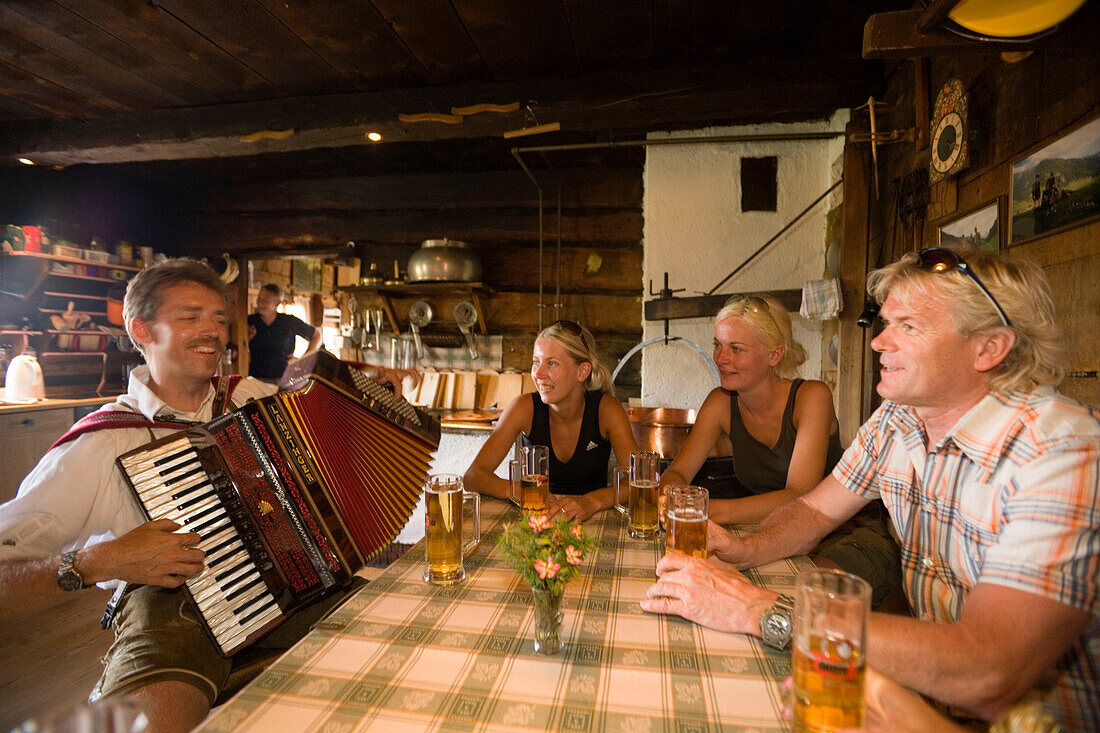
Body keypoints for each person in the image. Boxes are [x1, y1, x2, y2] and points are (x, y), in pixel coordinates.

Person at [641, 245, 1098, 730]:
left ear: (988, 348)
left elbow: (990, 668)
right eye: (885, 323)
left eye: (908, 326)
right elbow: (814, 510)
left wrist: (760, 610)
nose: (879, 342)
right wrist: (743, 550)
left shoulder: (1064, 453)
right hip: (934, 705)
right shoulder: (899, 420)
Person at [0, 258, 409, 732]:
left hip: (297, 588)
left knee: (406, 643)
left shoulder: (250, 396)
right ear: (142, 331)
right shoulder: (101, 442)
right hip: (174, 615)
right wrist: (101, 560)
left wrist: (366, 398)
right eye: (190, 317)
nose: (212, 331)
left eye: (218, 318)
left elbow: (329, 450)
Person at [658, 295, 901, 606]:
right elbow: (679, 470)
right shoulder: (720, 402)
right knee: (718, 588)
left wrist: (705, 511)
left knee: (804, 601)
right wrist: (670, 495)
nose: (720, 357)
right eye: (718, 344)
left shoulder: (811, 396)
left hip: (849, 532)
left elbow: (799, 494)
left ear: (774, 355)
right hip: (773, 533)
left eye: (736, 349)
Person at [463, 320, 638, 522]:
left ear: (582, 371)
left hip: (592, 519)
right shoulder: (523, 408)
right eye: (536, 362)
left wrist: (590, 502)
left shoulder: (607, 409)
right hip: (538, 518)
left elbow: (638, 480)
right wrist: (524, 492)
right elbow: (473, 476)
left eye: (551, 363)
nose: (537, 374)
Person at [247, 283, 322, 382]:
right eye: (259, 299)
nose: (260, 303)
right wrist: (247, 338)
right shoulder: (250, 321)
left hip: (283, 380)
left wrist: (302, 362)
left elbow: (316, 336)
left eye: (265, 301)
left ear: (277, 303)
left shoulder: (289, 322)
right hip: (255, 380)